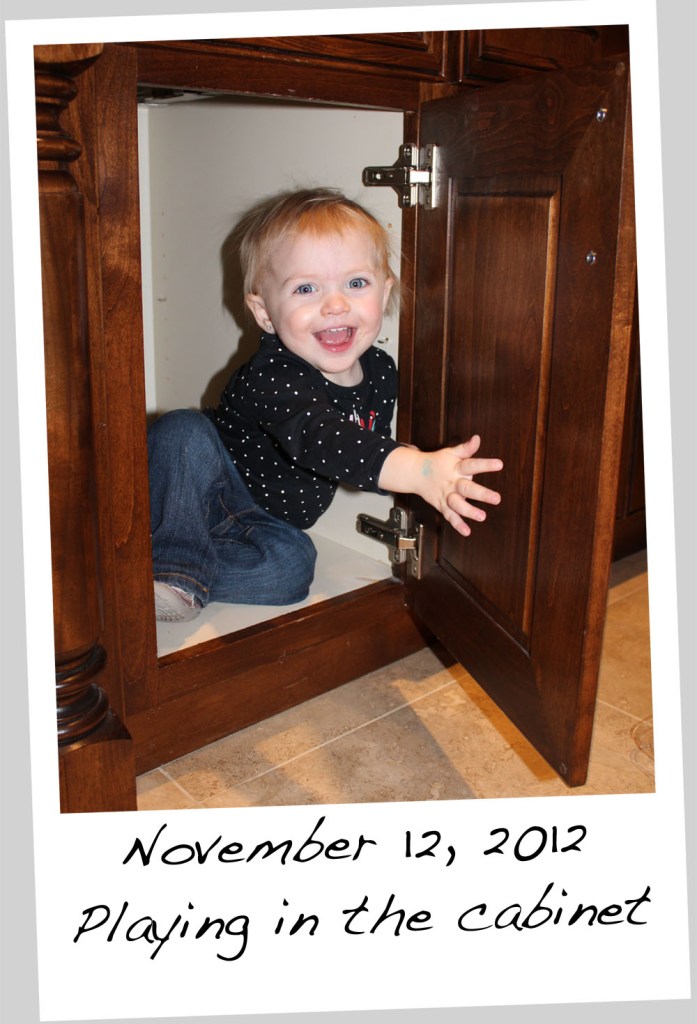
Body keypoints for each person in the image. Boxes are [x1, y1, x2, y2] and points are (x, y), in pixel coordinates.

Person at [148, 188, 503, 622]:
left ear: (384, 293)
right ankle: (175, 566)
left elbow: (362, 448)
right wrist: (419, 470)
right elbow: (321, 437)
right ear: (264, 313)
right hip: (210, 484)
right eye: (306, 288)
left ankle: (171, 571)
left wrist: (417, 464)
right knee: (181, 431)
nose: (336, 304)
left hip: (265, 519)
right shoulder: (272, 372)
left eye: (356, 283)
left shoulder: (381, 373)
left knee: (293, 571)